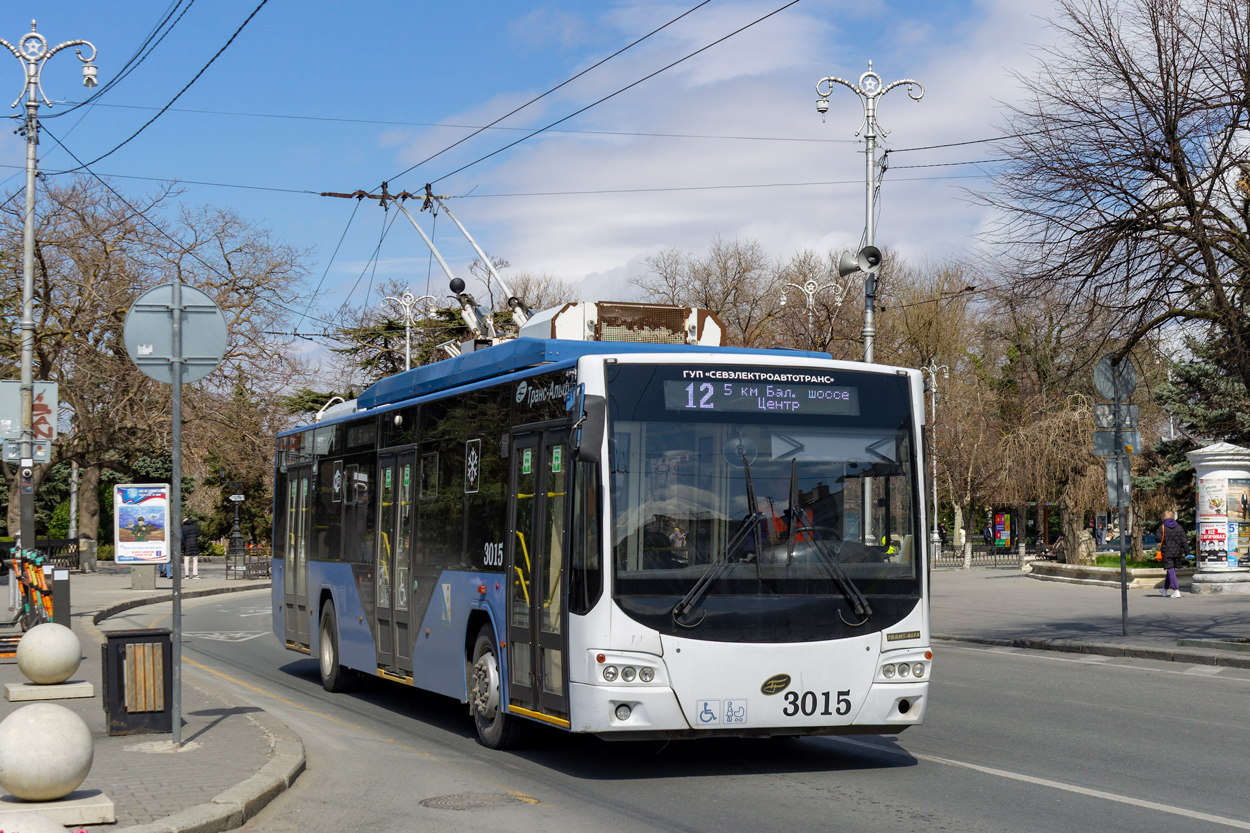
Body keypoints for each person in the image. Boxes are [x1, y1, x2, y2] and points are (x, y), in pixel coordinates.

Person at [1157, 510, 1189, 598]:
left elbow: (1157, 538)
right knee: (1170, 570)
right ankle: (1164, 589)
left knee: (1170, 569)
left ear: (1163, 518)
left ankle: (1176, 590)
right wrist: (1187, 553)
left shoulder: (1162, 527)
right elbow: (1184, 541)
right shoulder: (1179, 527)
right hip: (1178, 552)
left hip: (1167, 552)